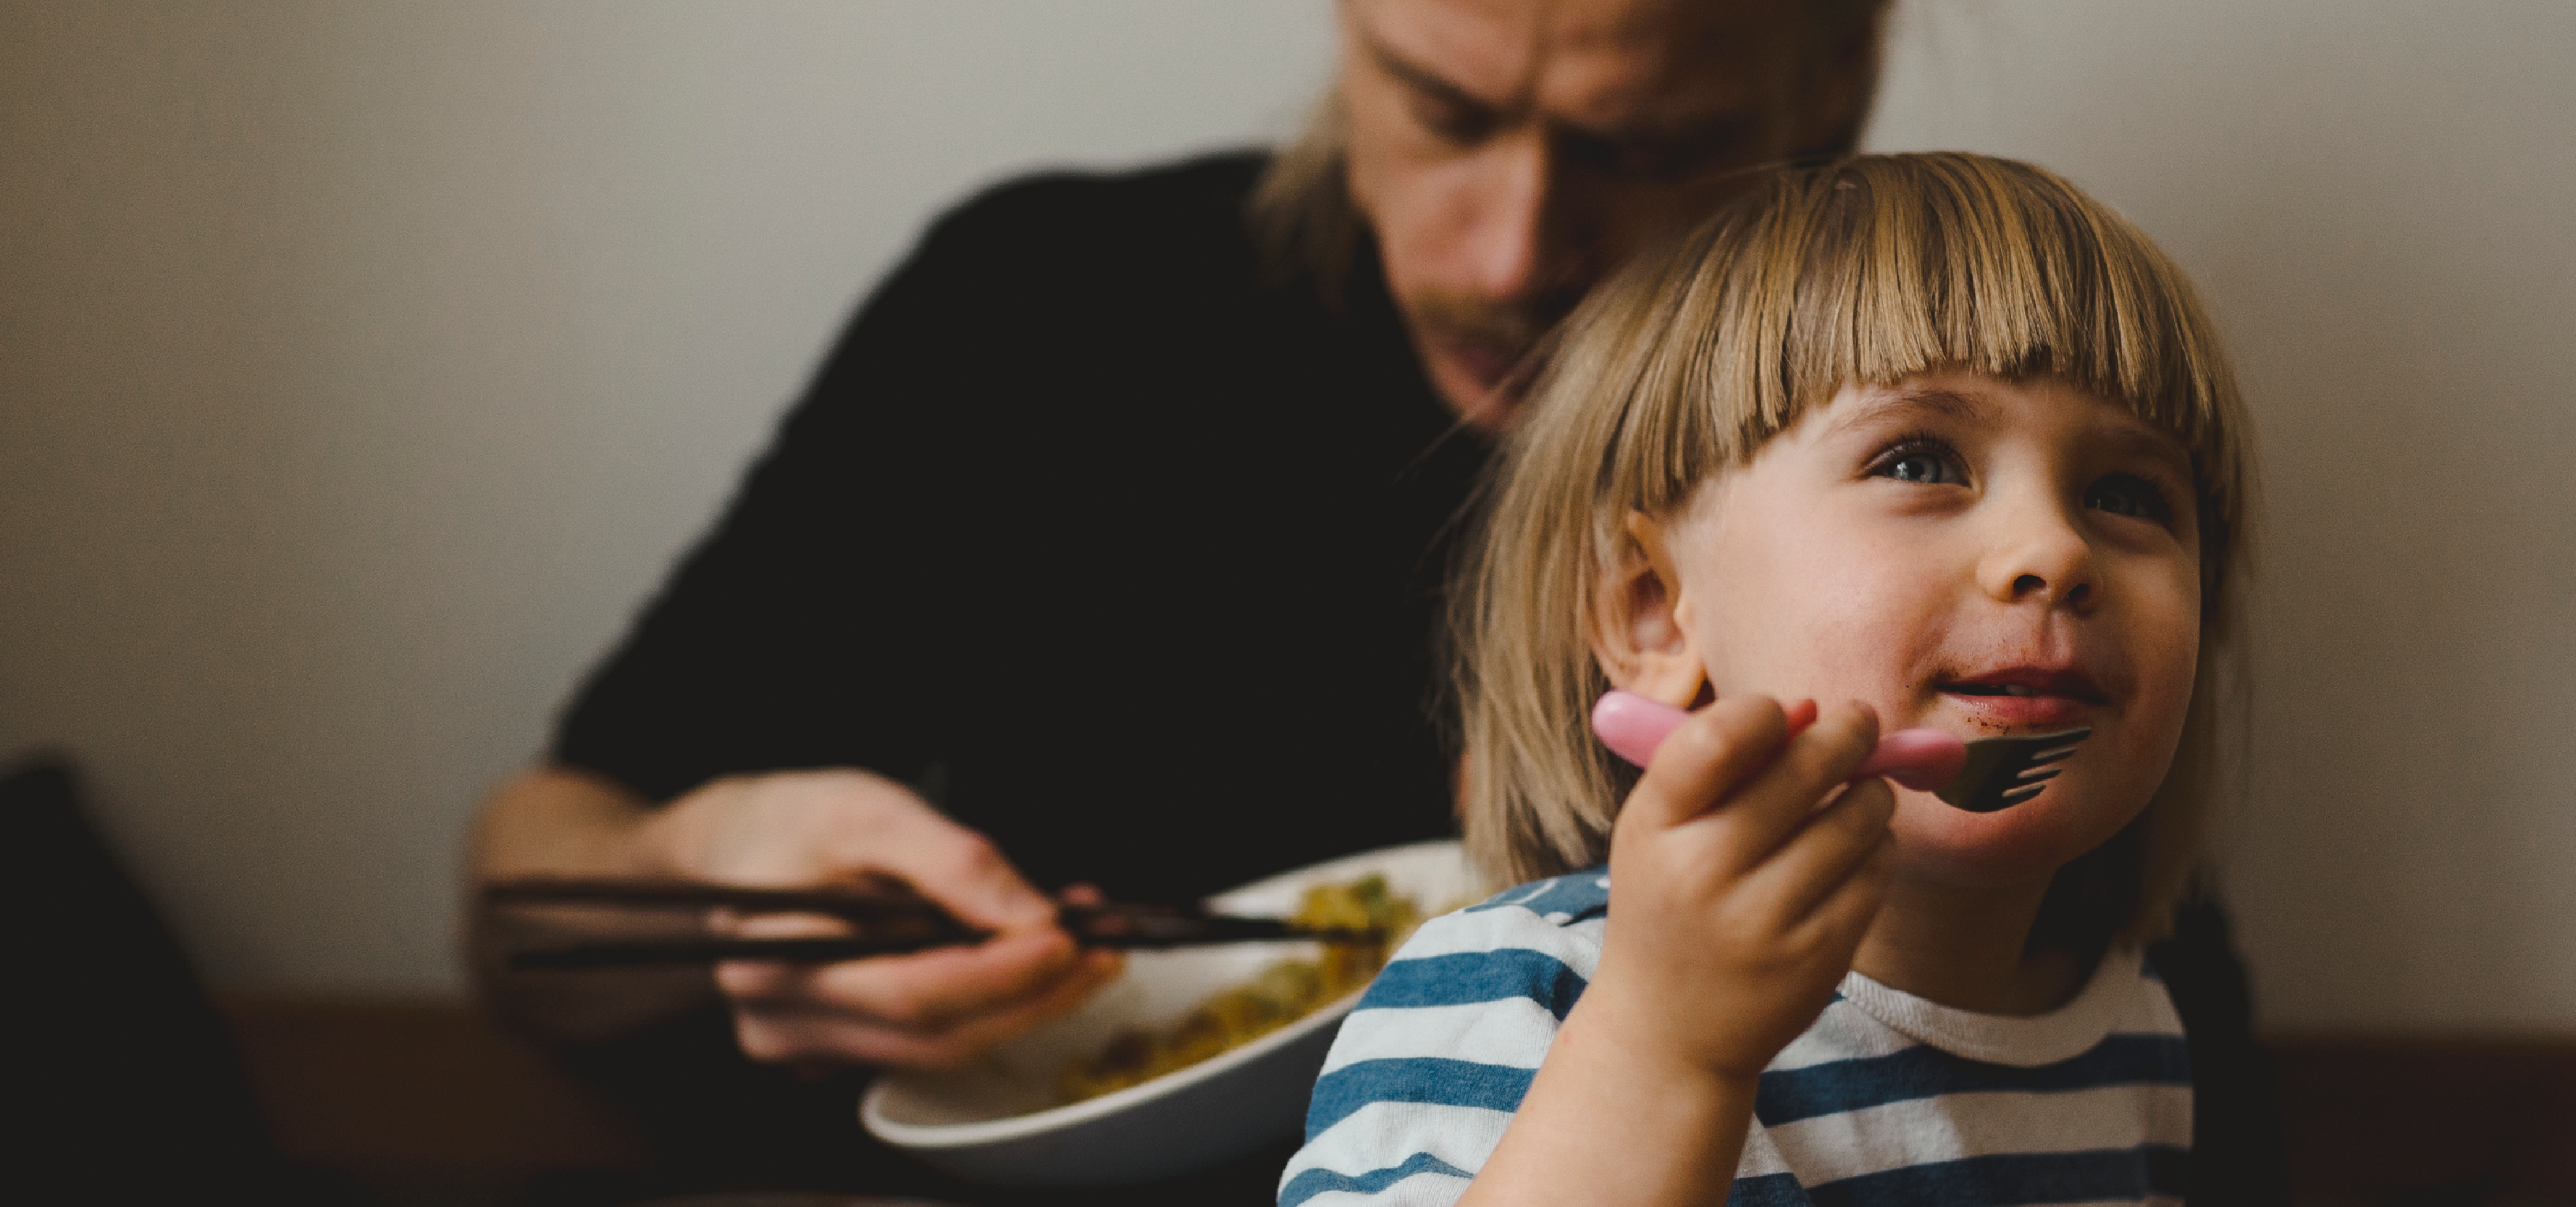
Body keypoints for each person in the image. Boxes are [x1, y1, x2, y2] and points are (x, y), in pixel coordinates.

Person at [462, 2, 2279, 1201]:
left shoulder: (1995, 541)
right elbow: (520, 910)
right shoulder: (1030, 309)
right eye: (1440, 107)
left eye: (1647, 142)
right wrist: (705, 871)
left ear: (1829, 81)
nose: (1509, 251)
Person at [1280, 152, 2248, 1206]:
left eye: (2126, 493)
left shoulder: (2133, 1032)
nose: (2053, 549)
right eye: (1917, 462)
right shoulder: (1519, 998)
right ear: (1654, 610)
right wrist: (1667, 1047)